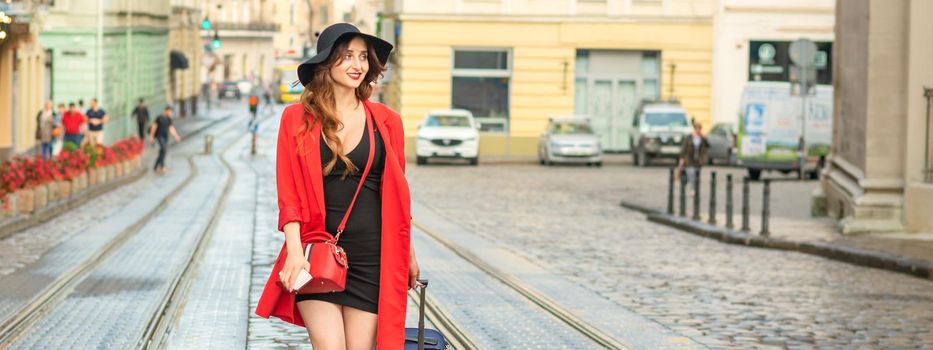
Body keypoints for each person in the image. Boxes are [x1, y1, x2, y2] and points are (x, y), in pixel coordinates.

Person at [255, 23, 419, 350]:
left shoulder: (387, 122)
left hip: (373, 258)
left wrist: (408, 251)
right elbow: (289, 194)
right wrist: (295, 252)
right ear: (326, 62)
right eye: (346, 56)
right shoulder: (296, 119)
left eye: (362, 57)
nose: (358, 65)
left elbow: (397, 195)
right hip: (317, 252)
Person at [148, 106, 181, 174]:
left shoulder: (169, 119)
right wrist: (151, 137)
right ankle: (162, 166)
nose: (170, 113)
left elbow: (171, 128)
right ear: (165, 110)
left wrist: (176, 136)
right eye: (169, 111)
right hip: (159, 136)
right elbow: (154, 127)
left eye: (171, 112)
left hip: (165, 137)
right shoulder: (159, 118)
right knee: (163, 149)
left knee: (162, 151)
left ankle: (156, 166)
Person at [679, 122, 710, 190]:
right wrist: (681, 158)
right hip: (689, 159)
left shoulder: (702, 138)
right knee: (691, 172)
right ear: (694, 129)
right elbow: (684, 148)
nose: (698, 130)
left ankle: (696, 189)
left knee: (697, 175)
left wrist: (705, 138)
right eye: (697, 129)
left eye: (699, 129)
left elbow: (708, 146)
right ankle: (692, 188)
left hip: (698, 160)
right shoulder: (689, 137)